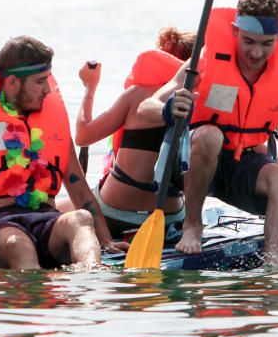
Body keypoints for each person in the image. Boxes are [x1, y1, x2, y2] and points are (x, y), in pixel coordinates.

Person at [139, 0, 278, 266]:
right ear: (235, 31)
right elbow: (145, 108)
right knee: (211, 135)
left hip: (243, 165)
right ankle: (193, 225)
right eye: (248, 41)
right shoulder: (203, 63)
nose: (256, 52)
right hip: (192, 163)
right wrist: (169, 108)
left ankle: (272, 265)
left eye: (266, 43)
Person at [0, 36, 123, 269]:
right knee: (19, 244)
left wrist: (106, 240)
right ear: (12, 82)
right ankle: (35, 296)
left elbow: (79, 188)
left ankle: (92, 273)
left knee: (80, 218)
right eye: (40, 81)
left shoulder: (52, 121)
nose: (47, 90)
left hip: (47, 221)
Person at [58, 27, 195, 240]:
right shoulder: (203, 101)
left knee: (56, 209)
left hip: (113, 213)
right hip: (170, 217)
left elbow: (83, 135)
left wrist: (89, 88)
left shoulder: (138, 95)